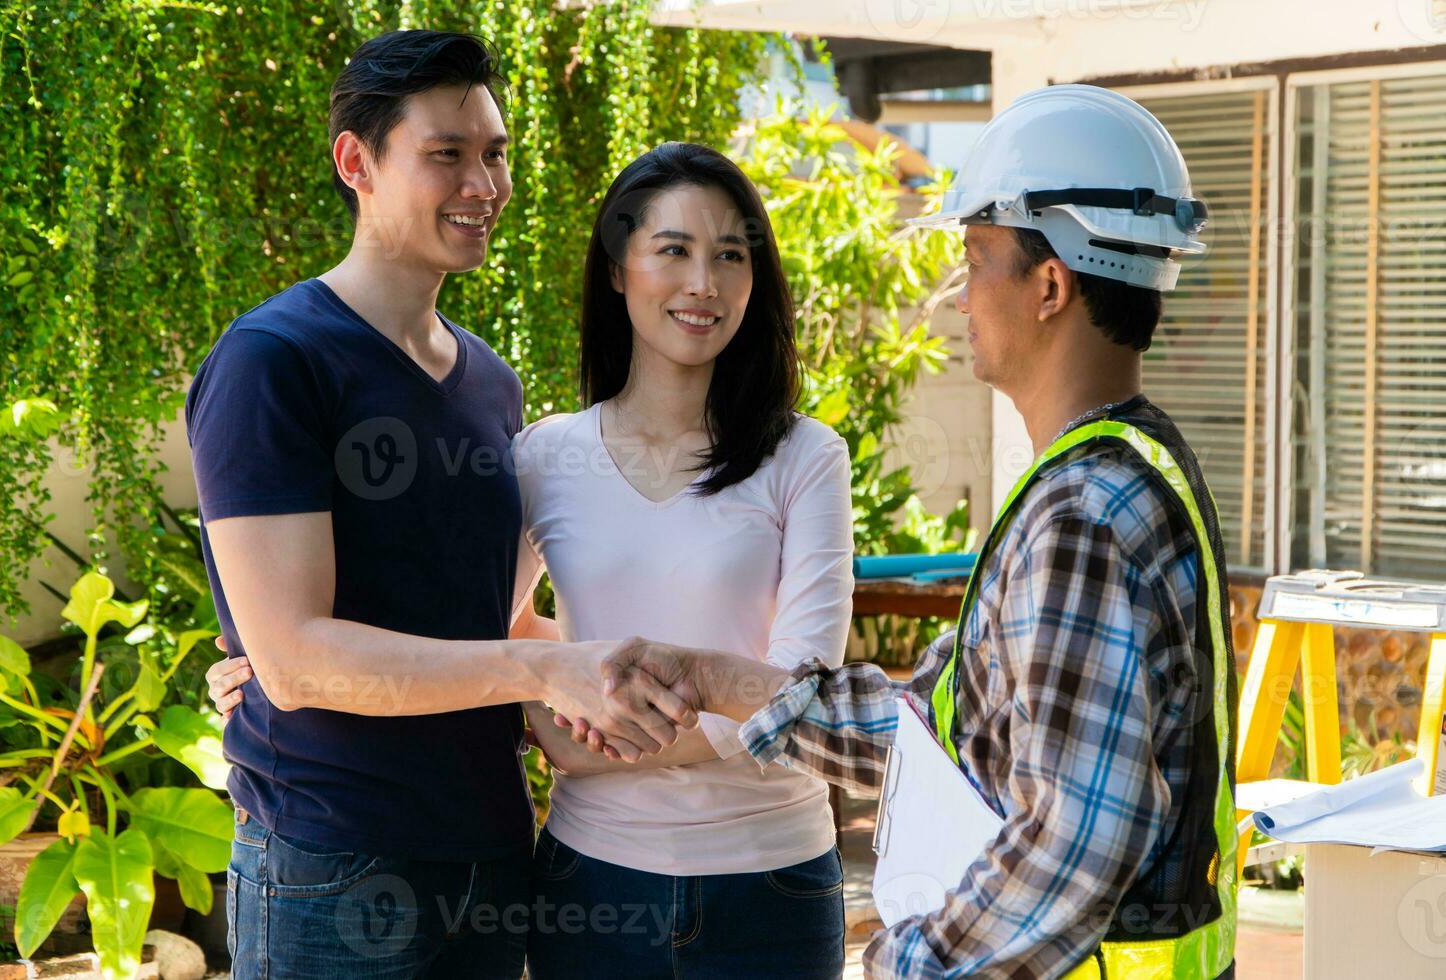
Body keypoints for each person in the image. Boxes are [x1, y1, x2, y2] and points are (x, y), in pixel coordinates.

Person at [571, 84, 1242, 980]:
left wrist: (904, 965)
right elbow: (942, 737)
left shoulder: (1081, 516)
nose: (959, 296)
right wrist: (718, 679)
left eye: (975, 259)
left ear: (1050, 284)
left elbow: (1073, 841)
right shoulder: (1129, 464)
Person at [211, 141, 854, 978]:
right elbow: (485, 624)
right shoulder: (546, 455)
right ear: (619, 269)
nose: (705, 284)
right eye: (674, 251)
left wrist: (586, 731)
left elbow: (804, 689)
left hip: (772, 883)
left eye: (732, 255)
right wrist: (274, 660)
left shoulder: (806, 456)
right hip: (591, 881)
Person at [187, 30, 689, 980]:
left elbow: (484, 615)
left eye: (494, 153)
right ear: (356, 163)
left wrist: (612, 677)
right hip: (335, 861)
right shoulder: (273, 362)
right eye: (446, 155)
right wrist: (546, 673)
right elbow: (294, 663)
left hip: (491, 853)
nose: (484, 184)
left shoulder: (491, 384)